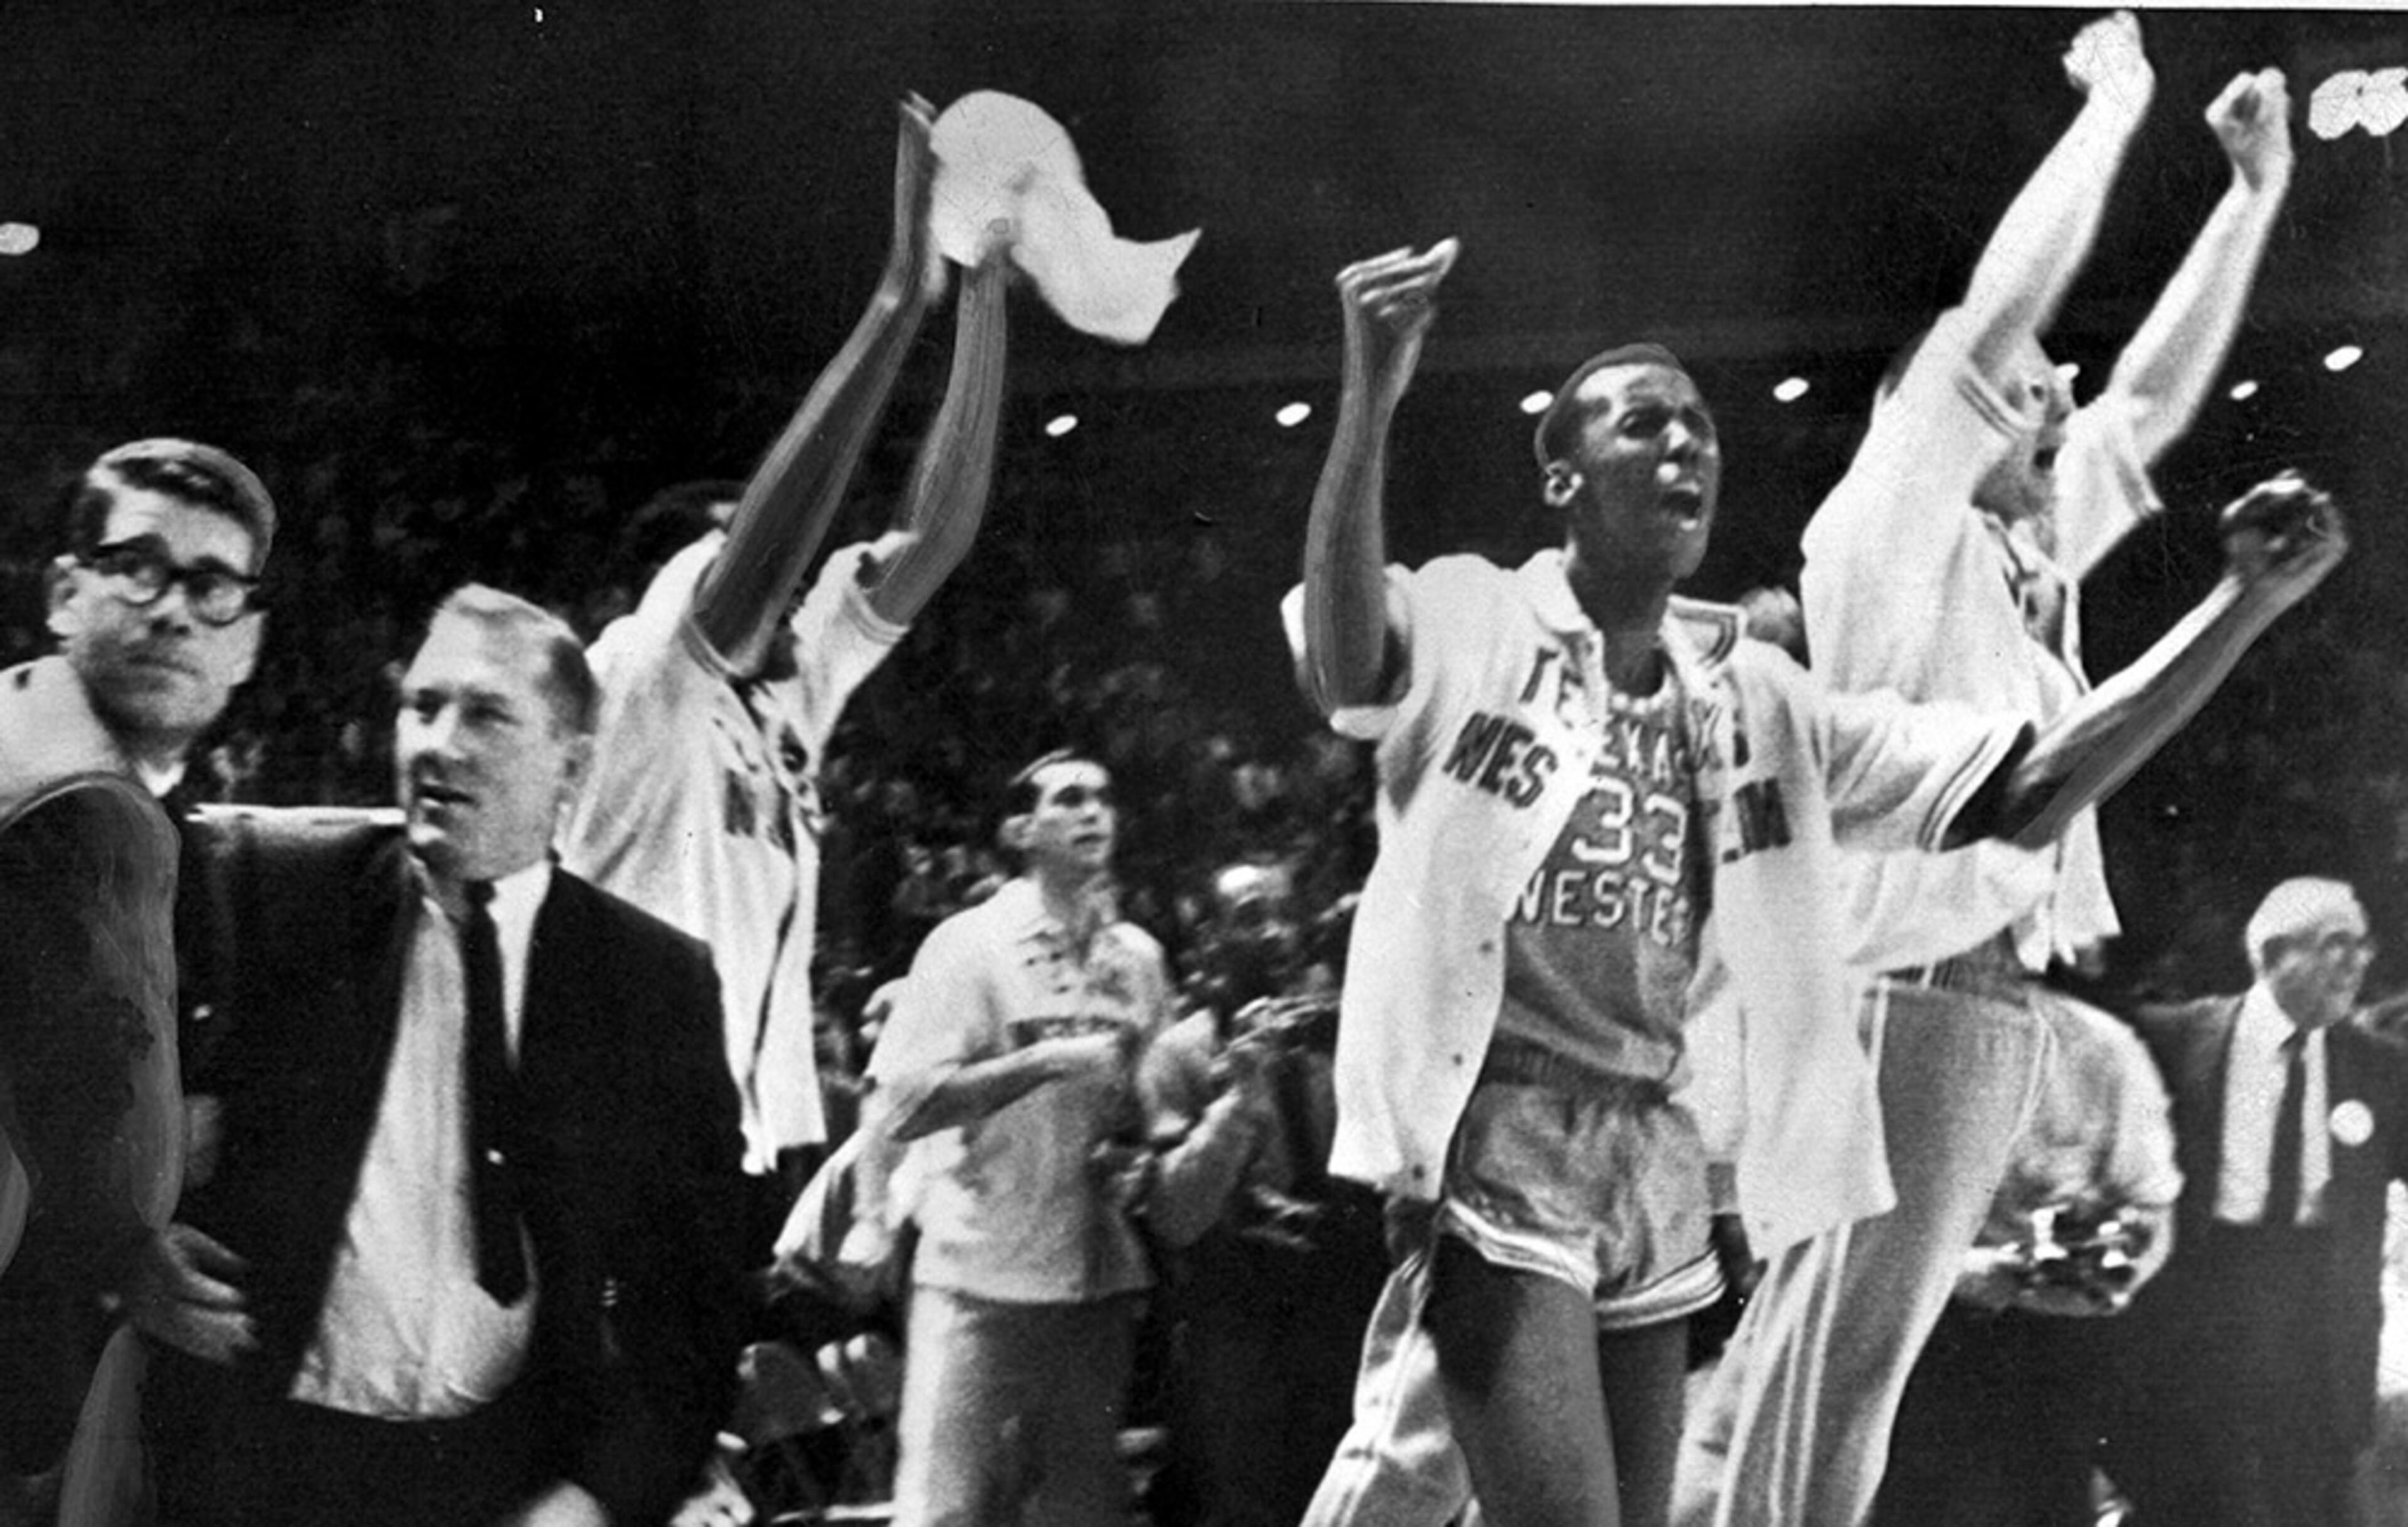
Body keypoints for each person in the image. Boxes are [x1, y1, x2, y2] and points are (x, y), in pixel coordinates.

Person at [1294, 220, 2337, 1527]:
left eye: (1699, 427)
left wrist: (2240, 607)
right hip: (1497, 1123)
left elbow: (2031, 784)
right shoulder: (1475, 617)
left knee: (1626, 1484)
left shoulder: (1759, 696)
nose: (1685, 442)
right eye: (1641, 424)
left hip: (1656, 1137)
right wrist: (1368, 399)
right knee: (1429, 1470)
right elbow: (1345, 663)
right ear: (1560, 477)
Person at [1681, 14, 2303, 1523]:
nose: (2058, 392)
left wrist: (2248, 199)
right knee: (1816, 1382)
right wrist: (2112, 111)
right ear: (1943, 413)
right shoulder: (1890, 525)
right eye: (2029, 389)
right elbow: (1991, 312)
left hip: (1973, 1002)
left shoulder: (2028, 563)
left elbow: (2147, 404)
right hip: (1889, 993)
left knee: (1839, 1388)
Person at [130, 586, 748, 1527]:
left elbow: (696, 1308)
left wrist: (592, 1500)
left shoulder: (655, 984)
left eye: (489, 713)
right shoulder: (265, 881)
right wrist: (120, 1246)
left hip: (503, 1481)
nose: (439, 744)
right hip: (255, 1467)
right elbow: (59, 1084)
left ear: (572, 765)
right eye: (423, 705)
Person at [560, 95, 1010, 1224]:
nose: (790, 577)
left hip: (736, 1144)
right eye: (746, 551)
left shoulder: (786, 700)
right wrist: (899, 301)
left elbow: (937, 536)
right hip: (615, 1141)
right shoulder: (637, 678)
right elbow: (772, 540)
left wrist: (987, 293)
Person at [0, 438, 274, 1523]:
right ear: (66, 593)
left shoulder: (30, 720)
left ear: (248, 643)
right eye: (138, 567)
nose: (171, 611)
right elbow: (125, 1170)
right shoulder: (89, 804)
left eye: (210, 587)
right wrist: (130, 1246)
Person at [863, 751, 1176, 1527]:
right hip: (981, 1280)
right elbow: (902, 1103)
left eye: (1104, 797)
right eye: (1068, 798)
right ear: (1020, 829)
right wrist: (1040, 1062)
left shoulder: (1138, 960)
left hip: (1096, 1286)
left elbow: (1151, 1111)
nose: (1093, 812)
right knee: (946, 1512)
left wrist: (1139, 1145)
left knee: (1080, 1515)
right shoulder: (969, 945)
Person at [2104, 877, 2408, 1526]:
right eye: (2336, 943)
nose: (2359, 961)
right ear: (2273, 955)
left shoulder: (2382, 1067)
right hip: (2202, 1301)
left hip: (2320, 1318)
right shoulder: (2174, 1039)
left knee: (2308, 1500)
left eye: (2364, 945)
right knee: (2195, 1499)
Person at [1866, 983, 2181, 1526]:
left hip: (2048, 1351)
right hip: (1910, 1336)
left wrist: (2107, 1272)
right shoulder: (1875, 1025)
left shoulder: (2096, 1044)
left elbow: (2151, 1203)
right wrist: (1961, 1272)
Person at [1141, 859, 1388, 1527]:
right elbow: (1178, 1215)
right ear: (1210, 943)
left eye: (1286, 911)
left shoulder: (1350, 1035)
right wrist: (1239, 1097)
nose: (1279, 932)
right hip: (1241, 1334)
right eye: (1252, 917)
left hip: (1346, 1319)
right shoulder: (1181, 1056)